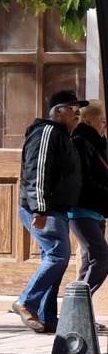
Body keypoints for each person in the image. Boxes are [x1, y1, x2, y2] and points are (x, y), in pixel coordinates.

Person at [14, 89, 85, 333]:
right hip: (46, 208)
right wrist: (39, 209)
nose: (78, 114)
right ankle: (26, 302)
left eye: (79, 109)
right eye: (73, 108)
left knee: (55, 259)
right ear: (58, 111)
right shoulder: (47, 131)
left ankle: (47, 317)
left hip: (57, 209)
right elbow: (37, 171)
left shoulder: (63, 136)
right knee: (58, 255)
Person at [67, 99, 108, 300]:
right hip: (82, 211)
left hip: (97, 211)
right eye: (102, 121)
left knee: (90, 261)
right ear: (90, 121)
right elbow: (85, 181)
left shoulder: (98, 143)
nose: (104, 126)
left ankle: (78, 311)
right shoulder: (80, 142)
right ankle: (75, 305)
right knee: (101, 258)